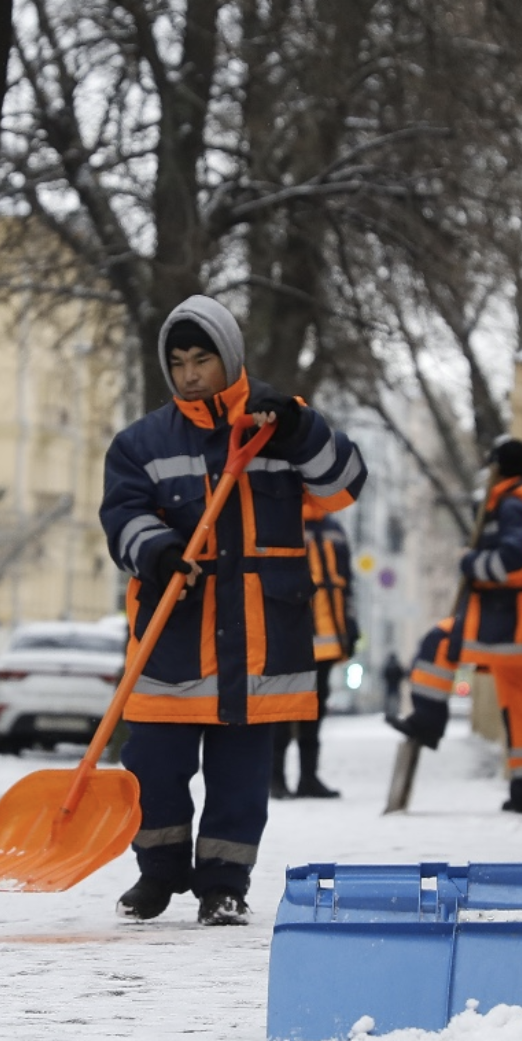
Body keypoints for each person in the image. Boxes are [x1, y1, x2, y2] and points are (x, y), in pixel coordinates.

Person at [100, 294, 365, 924]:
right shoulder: (142, 442)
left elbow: (345, 485)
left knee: (241, 782)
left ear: (230, 358)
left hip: (259, 638)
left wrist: (301, 428)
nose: (191, 374)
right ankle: (158, 872)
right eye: (180, 362)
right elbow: (121, 516)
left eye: (203, 359)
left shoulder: (281, 429)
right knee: (152, 769)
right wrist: (158, 552)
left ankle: (224, 884)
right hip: (175, 637)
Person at [388, 437, 522, 813]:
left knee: (439, 643)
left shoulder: (514, 505)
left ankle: (426, 719)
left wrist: (471, 564)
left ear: (499, 467)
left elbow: (515, 560)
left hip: (513, 621)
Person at [270, 501, 357, 799]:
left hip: (328, 638)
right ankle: (276, 779)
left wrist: (350, 625)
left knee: (314, 712)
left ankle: (308, 778)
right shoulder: (281, 523)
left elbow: (347, 583)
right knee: (282, 710)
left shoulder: (334, 530)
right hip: (289, 637)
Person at [380, 652, 406, 717]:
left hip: (390, 685)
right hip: (396, 685)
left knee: (389, 700)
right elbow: (402, 674)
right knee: (397, 699)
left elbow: (383, 675)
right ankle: (396, 711)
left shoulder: (388, 665)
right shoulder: (397, 666)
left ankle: (388, 712)